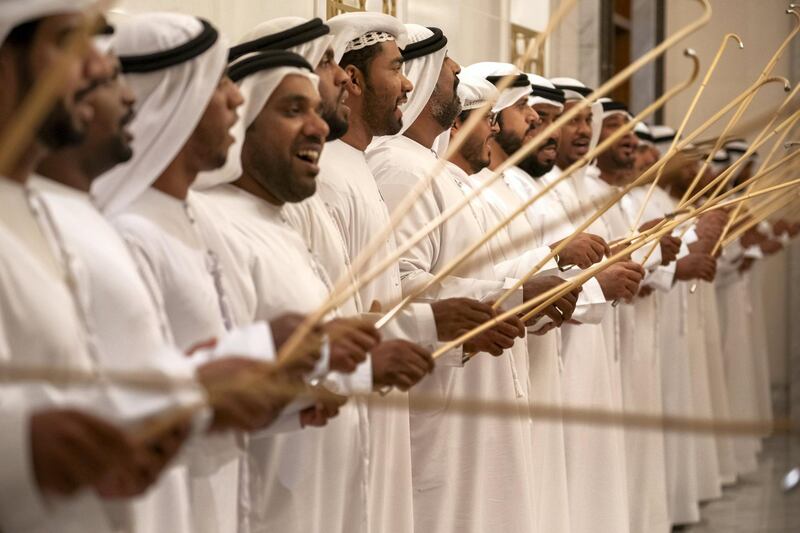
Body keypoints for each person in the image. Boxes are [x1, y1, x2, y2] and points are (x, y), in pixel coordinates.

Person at [0, 3, 170, 532]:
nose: (97, 68)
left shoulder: (37, 208)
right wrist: (23, 443)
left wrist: (204, 386)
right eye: (70, 42)